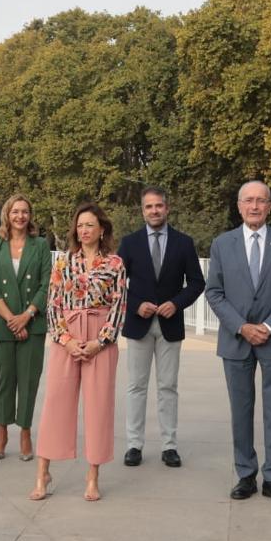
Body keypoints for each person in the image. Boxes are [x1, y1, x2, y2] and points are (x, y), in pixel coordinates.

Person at [204, 180, 271, 504]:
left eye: (261, 201)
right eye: (249, 200)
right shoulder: (222, 244)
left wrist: (269, 326)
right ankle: (245, 474)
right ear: (239, 206)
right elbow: (214, 292)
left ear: (270, 206)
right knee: (241, 410)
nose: (255, 206)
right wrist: (242, 327)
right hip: (236, 341)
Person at [30, 202, 127, 502]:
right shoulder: (62, 262)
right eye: (80, 225)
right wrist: (66, 339)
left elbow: (118, 307)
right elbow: (53, 304)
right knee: (55, 405)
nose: (84, 230)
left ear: (102, 230)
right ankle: (42, 473)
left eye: (90, 225)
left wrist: (101, 341)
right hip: (66, 338)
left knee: (98, 407)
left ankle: (92, 475)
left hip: (101, 341)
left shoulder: (115, 265)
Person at [117, 187, 204, 469]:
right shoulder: (129, 243)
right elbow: (115, 283)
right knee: (136, 387)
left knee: (168, 387)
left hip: (170, 324)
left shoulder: (184, 242)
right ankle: (134, 445)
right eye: (148, 207)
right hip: (138, 324)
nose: (154, 211)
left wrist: (176, 304)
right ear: (142, 211)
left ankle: (169, 446)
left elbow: (196, 282)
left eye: (159, 206)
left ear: (167, 208)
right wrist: (135, 304)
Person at [0, 194, 50, 462]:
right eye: (15, 212)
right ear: (6, 215)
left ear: (30, 215)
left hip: (32, 325)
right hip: (3, 323)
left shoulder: (41, 245)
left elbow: (47, 284)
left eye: (25, 211)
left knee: (29, 381)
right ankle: (2, 432)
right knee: (5, 380)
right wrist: (13, 319)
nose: (20, 216)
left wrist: (27, 316)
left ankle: (25, 431)